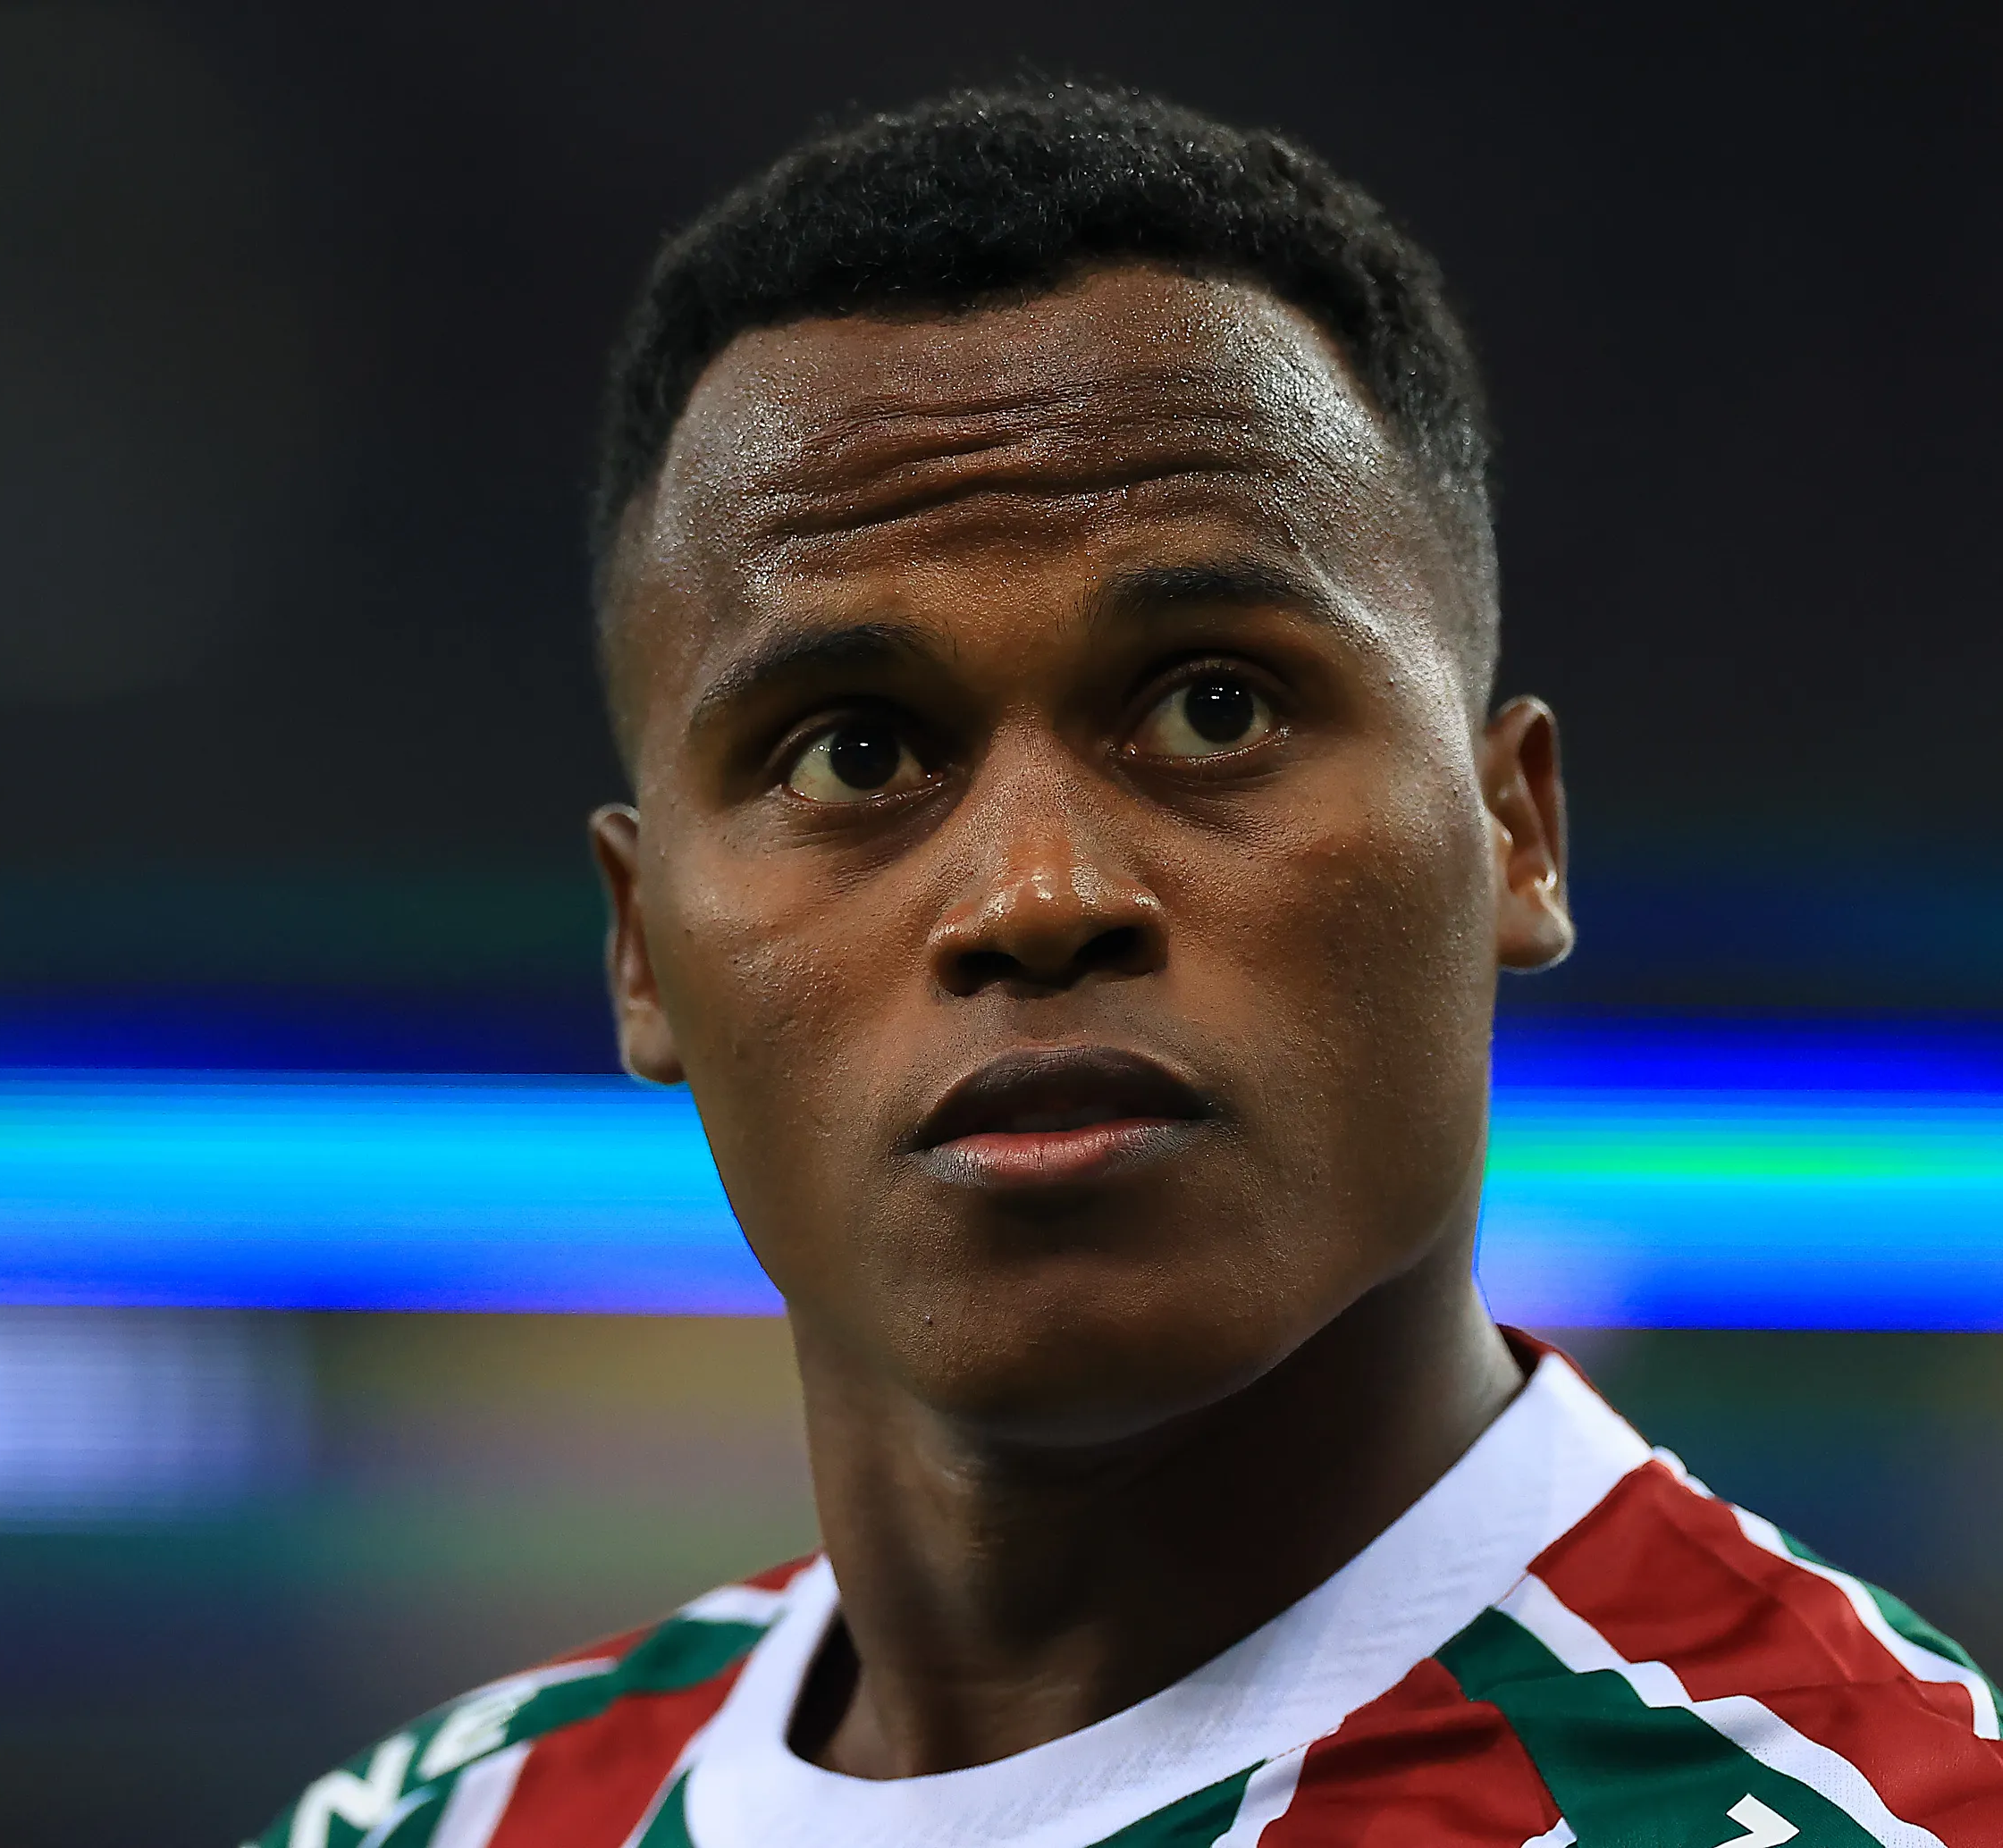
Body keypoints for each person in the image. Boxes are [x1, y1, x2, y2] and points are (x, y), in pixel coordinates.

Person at [250, 80, 2003, 1848]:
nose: (1033, 890)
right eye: (852, 752)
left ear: (1515, 832)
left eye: (1208, 706)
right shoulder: (432, 1820)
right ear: (638, 952)